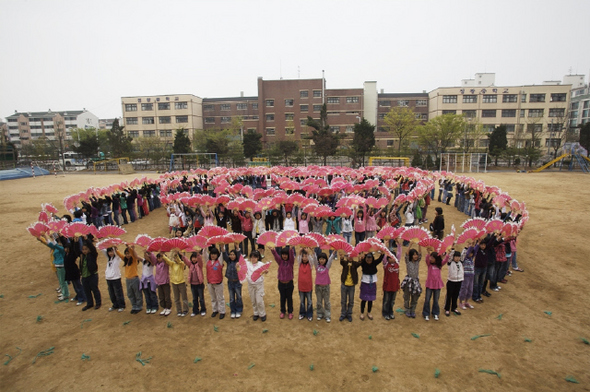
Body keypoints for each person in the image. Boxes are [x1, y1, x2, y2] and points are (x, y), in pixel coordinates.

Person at [38, 234, 69, 301]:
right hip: (58, 265)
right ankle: (64, 293)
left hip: (61, 266)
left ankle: (65, 294)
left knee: (63, 281)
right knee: (61, 281)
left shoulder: (62, 249)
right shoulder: (58, 248)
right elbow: (50, 245)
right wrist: (45, 238)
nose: (58, 243)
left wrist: (52, 239)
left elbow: (55, 245)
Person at [422, 251, 448, 321]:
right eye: (431, 257)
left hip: (437, 285)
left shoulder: (439, 265)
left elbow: (445, 260)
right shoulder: (429, 265)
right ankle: (426, 313)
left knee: (436, 300)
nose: (431, 259)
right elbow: (427, 259)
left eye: (432, 258)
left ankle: (435, 313)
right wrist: (428, 252)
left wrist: (448, 253)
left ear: (436, 259)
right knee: (427, 299)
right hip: (429, 285)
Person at [271, 246, 295, 320]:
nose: (284, 256)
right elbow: (276, 256)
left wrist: (291, 250)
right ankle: (283, 311)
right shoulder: (280, 261)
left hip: (289, 284)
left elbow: (292, 257)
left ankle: (290, 312)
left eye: (286, 254)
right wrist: (273, 250)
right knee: (282, 298)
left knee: (289, 298)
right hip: (281, 284)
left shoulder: (291, 262)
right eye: (283, 254)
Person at [78, 236, 102, 311]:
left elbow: (93, 248)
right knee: (86, 290)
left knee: (94, 289)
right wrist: (75, 241)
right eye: (83, 249)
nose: (84, 251)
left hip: (92, 275)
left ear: (89, 249)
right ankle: (89, 303)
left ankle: (98, 303)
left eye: (86, 249)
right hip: (84, 276)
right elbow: (76, 249)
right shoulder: (82, 256)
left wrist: (86, 239)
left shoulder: (92, 255)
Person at [163, 251, 189, 317]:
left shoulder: (182, 264)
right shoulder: (172, 264)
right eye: (174, 258)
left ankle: (185, 310)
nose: (175, 260)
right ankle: (179, 310)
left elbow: (180, 261)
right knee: (176, 298)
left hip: (181, 282)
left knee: (184, 297)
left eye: (176, 258)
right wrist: (162, 254)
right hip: (174, 282)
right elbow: (167, 260)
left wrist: (176, 255)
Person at [245, 250, 269, 322]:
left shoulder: (261, 264)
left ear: (258, 258)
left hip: (259, 285)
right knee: (253, 300)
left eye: (254, 257)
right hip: (251, 285)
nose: (253, 259)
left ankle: (262, 314)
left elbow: (266, 271)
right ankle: (256, 313)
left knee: (259, 300)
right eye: (251, 257)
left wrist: (266, 271)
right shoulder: (248, 264)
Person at [358, 251, 383, 320]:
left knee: (370, 299)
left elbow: (380, 259)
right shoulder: (363, 264)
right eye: (367, 259)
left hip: (372, 283)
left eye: (370, 259)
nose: (369, 261)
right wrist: (361, 256)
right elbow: (359, 261)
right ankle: (362, 313)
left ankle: (369, 312)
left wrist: (383, 251)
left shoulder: (374, 263)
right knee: (364, 299)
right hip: (365, 282)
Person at [313, 251, 336, 323]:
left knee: (327, 302)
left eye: (323, 259)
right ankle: (319, 314)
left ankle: (327, 315)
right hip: (318, 287)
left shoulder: (327, 267)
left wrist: (333, 253)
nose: (321, 260)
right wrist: (313, 252)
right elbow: (314, 259)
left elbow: (330, 260)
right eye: (320, 259)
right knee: (319, 302)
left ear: (325, 260)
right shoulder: (317, 266)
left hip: (326, 287)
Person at [181, 251, 206, 317]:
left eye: (195, 258)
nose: (194, 259)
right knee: (194, 299)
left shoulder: (199, 264)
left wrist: (198, 254)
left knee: (201, 299)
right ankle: (195, 311)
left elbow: (200, 260)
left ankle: (203, 310)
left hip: (199, 284)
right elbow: (186, 261)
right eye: (193, 258)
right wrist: (182, 255)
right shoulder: (190, 265)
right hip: (193, 284)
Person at [339, 252, 362, 322]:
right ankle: (343, 314)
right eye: (349, 256)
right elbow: (341, 262)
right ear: (347, 257)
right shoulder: (345, 263)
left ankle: (349, 314)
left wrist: (360, 259)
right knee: (343, 301)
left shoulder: (355, 264)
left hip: (352, 285)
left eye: (351, 256)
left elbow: (359, 263)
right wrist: (341, 257)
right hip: (344, 285)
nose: (350, 257)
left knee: (351, 301)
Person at [401, 245, 422, 318]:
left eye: (416, 255)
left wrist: (419, 245)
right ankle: (407, 310)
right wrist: (410, 244)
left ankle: (412, 310)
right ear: (411, 256)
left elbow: (420, 254)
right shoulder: (408, 261)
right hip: (408, 281)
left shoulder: (417, 262)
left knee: (415, 297)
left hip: (416, 281)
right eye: (414, 255)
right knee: (406, 297)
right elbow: (406, 254)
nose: (416, 256)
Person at [204, 246, 226, 319]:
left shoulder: (219, 261)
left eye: (215, 254)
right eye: (212, 254)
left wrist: (222, 245)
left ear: (217, 255)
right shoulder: (208, 261)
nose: (213, 255)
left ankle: (222, 311)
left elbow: (223, 253)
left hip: (218, 282)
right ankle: (215, 310)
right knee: (213, 298)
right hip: (210, 282)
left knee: (220, 298)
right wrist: (205, 245)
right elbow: (204, 253)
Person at [382, 242, 402, 320]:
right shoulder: (386, 264)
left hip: (395, 285)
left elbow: (399, 254)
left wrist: (399, 244)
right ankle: (385, 312)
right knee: (386, 300)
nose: (392, 259)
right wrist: (385, 245)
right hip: (387, 285)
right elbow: (384, 256)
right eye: (390, 257)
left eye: (393, 257)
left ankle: (390, 312)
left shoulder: (397, 263)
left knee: (392, 300)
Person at [102, 246, 125, 312]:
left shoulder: (117, 258)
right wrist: (98, 242)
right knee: (111, 293)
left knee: (118, 292)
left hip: (116, 278)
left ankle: (121, 305)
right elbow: (103, 250)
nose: (110, 253)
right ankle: (115, 305)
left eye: (112, 251)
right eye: (109, 252)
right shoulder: (108, 258)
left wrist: (114, 247)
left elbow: (117, 253)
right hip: (108, 278)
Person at [223, 246, 244, 319]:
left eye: (233, 255)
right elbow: (224, 253)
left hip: (237, 282)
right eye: (230, 254)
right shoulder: (228, 261)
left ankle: (239, 310)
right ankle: (233, 311)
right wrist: (222, 246)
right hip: (230, 282)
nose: (232, 256)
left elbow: (240, 254)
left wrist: (238, 246)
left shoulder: (238, 262)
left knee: (238, 296)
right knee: (231, 298)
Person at [121, 245, 143, 314]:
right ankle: (134, 306)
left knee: (137, 293)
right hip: (128, 280)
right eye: (126, 254)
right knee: (130, 294)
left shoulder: (134, 260)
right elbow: (120, 255)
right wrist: (116, 249)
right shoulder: (126, 261)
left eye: (129, 253)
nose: (128, 255)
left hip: (134, 279)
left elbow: (134, 255)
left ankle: (139, 306)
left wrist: (130, 249)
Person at [444, 250, 464, 316]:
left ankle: (454, 308)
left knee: (456, 295)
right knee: (449, 296)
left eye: (458, 257)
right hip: (451, 281)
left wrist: (467, 247)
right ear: (453, 257)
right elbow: (449, 257)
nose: (457, 258)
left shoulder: (461, 262)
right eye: (456, 257)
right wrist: (452, 248)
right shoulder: (450, 262)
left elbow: (464, 254)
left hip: (459, 281)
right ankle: (447, 309)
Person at [296, 248, 314, 321]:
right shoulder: (300, 264)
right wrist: (300, 252)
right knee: (302, 301)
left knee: (309, 302)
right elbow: (298, 258)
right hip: (301, 287)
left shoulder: (310, 265)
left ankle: (309, 314)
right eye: (303, 256)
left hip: (308, 287)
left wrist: (308, 253)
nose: (304, 258)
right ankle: (302, 313)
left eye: (306, 256)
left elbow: (312, 260)